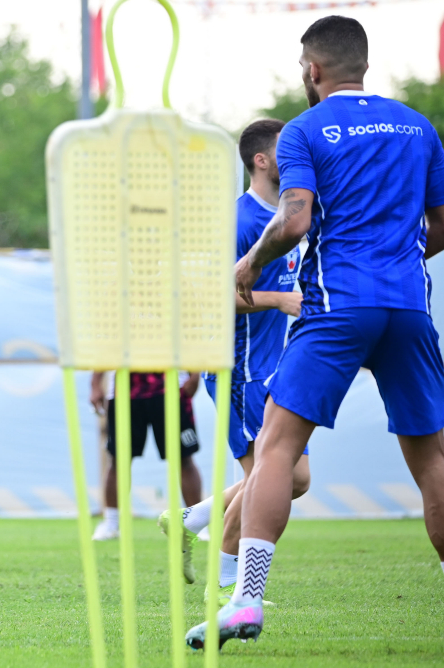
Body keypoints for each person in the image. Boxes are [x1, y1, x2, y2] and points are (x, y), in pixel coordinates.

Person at [187, 16, 444, 654]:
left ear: (313, 70)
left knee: (276, 449)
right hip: (408, 310)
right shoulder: (418, 126)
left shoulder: (304, 130)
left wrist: (250, 264)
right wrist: (396, 261)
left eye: (303, 67)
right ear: (364, 65)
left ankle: (247, 599)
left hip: (335, 307)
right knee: (432, 461)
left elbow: (294, 222)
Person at [159, 119, 310, 597]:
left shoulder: (292, 215)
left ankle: (191, 519)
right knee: (268, 479)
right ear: (261, 161)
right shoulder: (237, 220)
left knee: (295, 479)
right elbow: (210, 297)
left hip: (272, 366)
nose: (297, 156)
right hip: (238, 368)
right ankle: (225, 586)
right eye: (286, 150)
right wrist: (278, 300)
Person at [88, 371, 203, 541]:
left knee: (184, 458)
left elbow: (191, 351)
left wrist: (195, 376)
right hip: (124, 392)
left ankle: (196, 523)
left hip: (171, 389)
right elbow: (106, 353)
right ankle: (111, 524)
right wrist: (95, 384)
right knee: (118, 460)